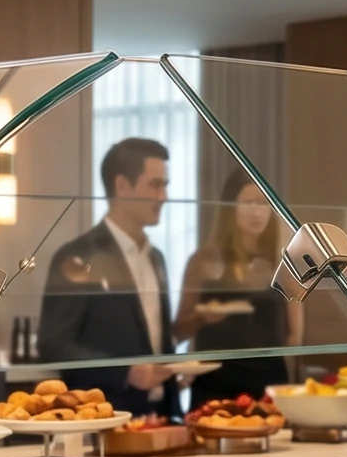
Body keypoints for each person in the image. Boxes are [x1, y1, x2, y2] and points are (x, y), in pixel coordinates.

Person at [40, 137, 177, 417]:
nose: (164, 197)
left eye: (165, 186)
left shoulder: (157, 258)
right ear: (122, 186)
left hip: (160, 418)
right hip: (104, 418)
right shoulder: (79, 257)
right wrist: (125, 372)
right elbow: (54, 344)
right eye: (155, 185)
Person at [174, 171, 298, 406]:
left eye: (264, 203)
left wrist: (289, 389)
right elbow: (179, 330)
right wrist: (202, 318)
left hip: (268, 382)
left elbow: (294, 335)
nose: (256, 212)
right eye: (248, 202)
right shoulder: (204, 260)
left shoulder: (284, 263)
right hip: (214, 383)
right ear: (230, 208)